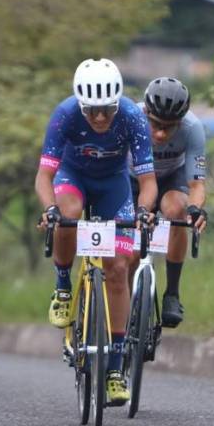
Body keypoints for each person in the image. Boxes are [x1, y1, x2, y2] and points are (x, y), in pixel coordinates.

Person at [34, 58, 157, 405]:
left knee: (119, 267)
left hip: (114, 186)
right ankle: (62, 286)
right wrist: (50, 209)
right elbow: (44, 176)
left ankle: (115, 369)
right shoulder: (65, 114)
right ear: (80, 104)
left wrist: (144, 212)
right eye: (92, 111)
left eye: (106, 110)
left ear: (117, 102)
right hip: (74, 177)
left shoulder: (132, 117)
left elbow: (148, 182)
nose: (100, 118)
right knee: (67, 213)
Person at [129, 77, 208, 327]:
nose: (161, 133)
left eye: (169, 127)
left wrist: (195, 209)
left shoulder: (193, 128)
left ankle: (172, 293)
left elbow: (196, 184)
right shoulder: (130, 118)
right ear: (146, 112)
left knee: (177, 210)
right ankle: (123, 295)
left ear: (181, 122)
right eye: (155, 124)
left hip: (170, 178)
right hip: (133, 179)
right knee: (130, 251)